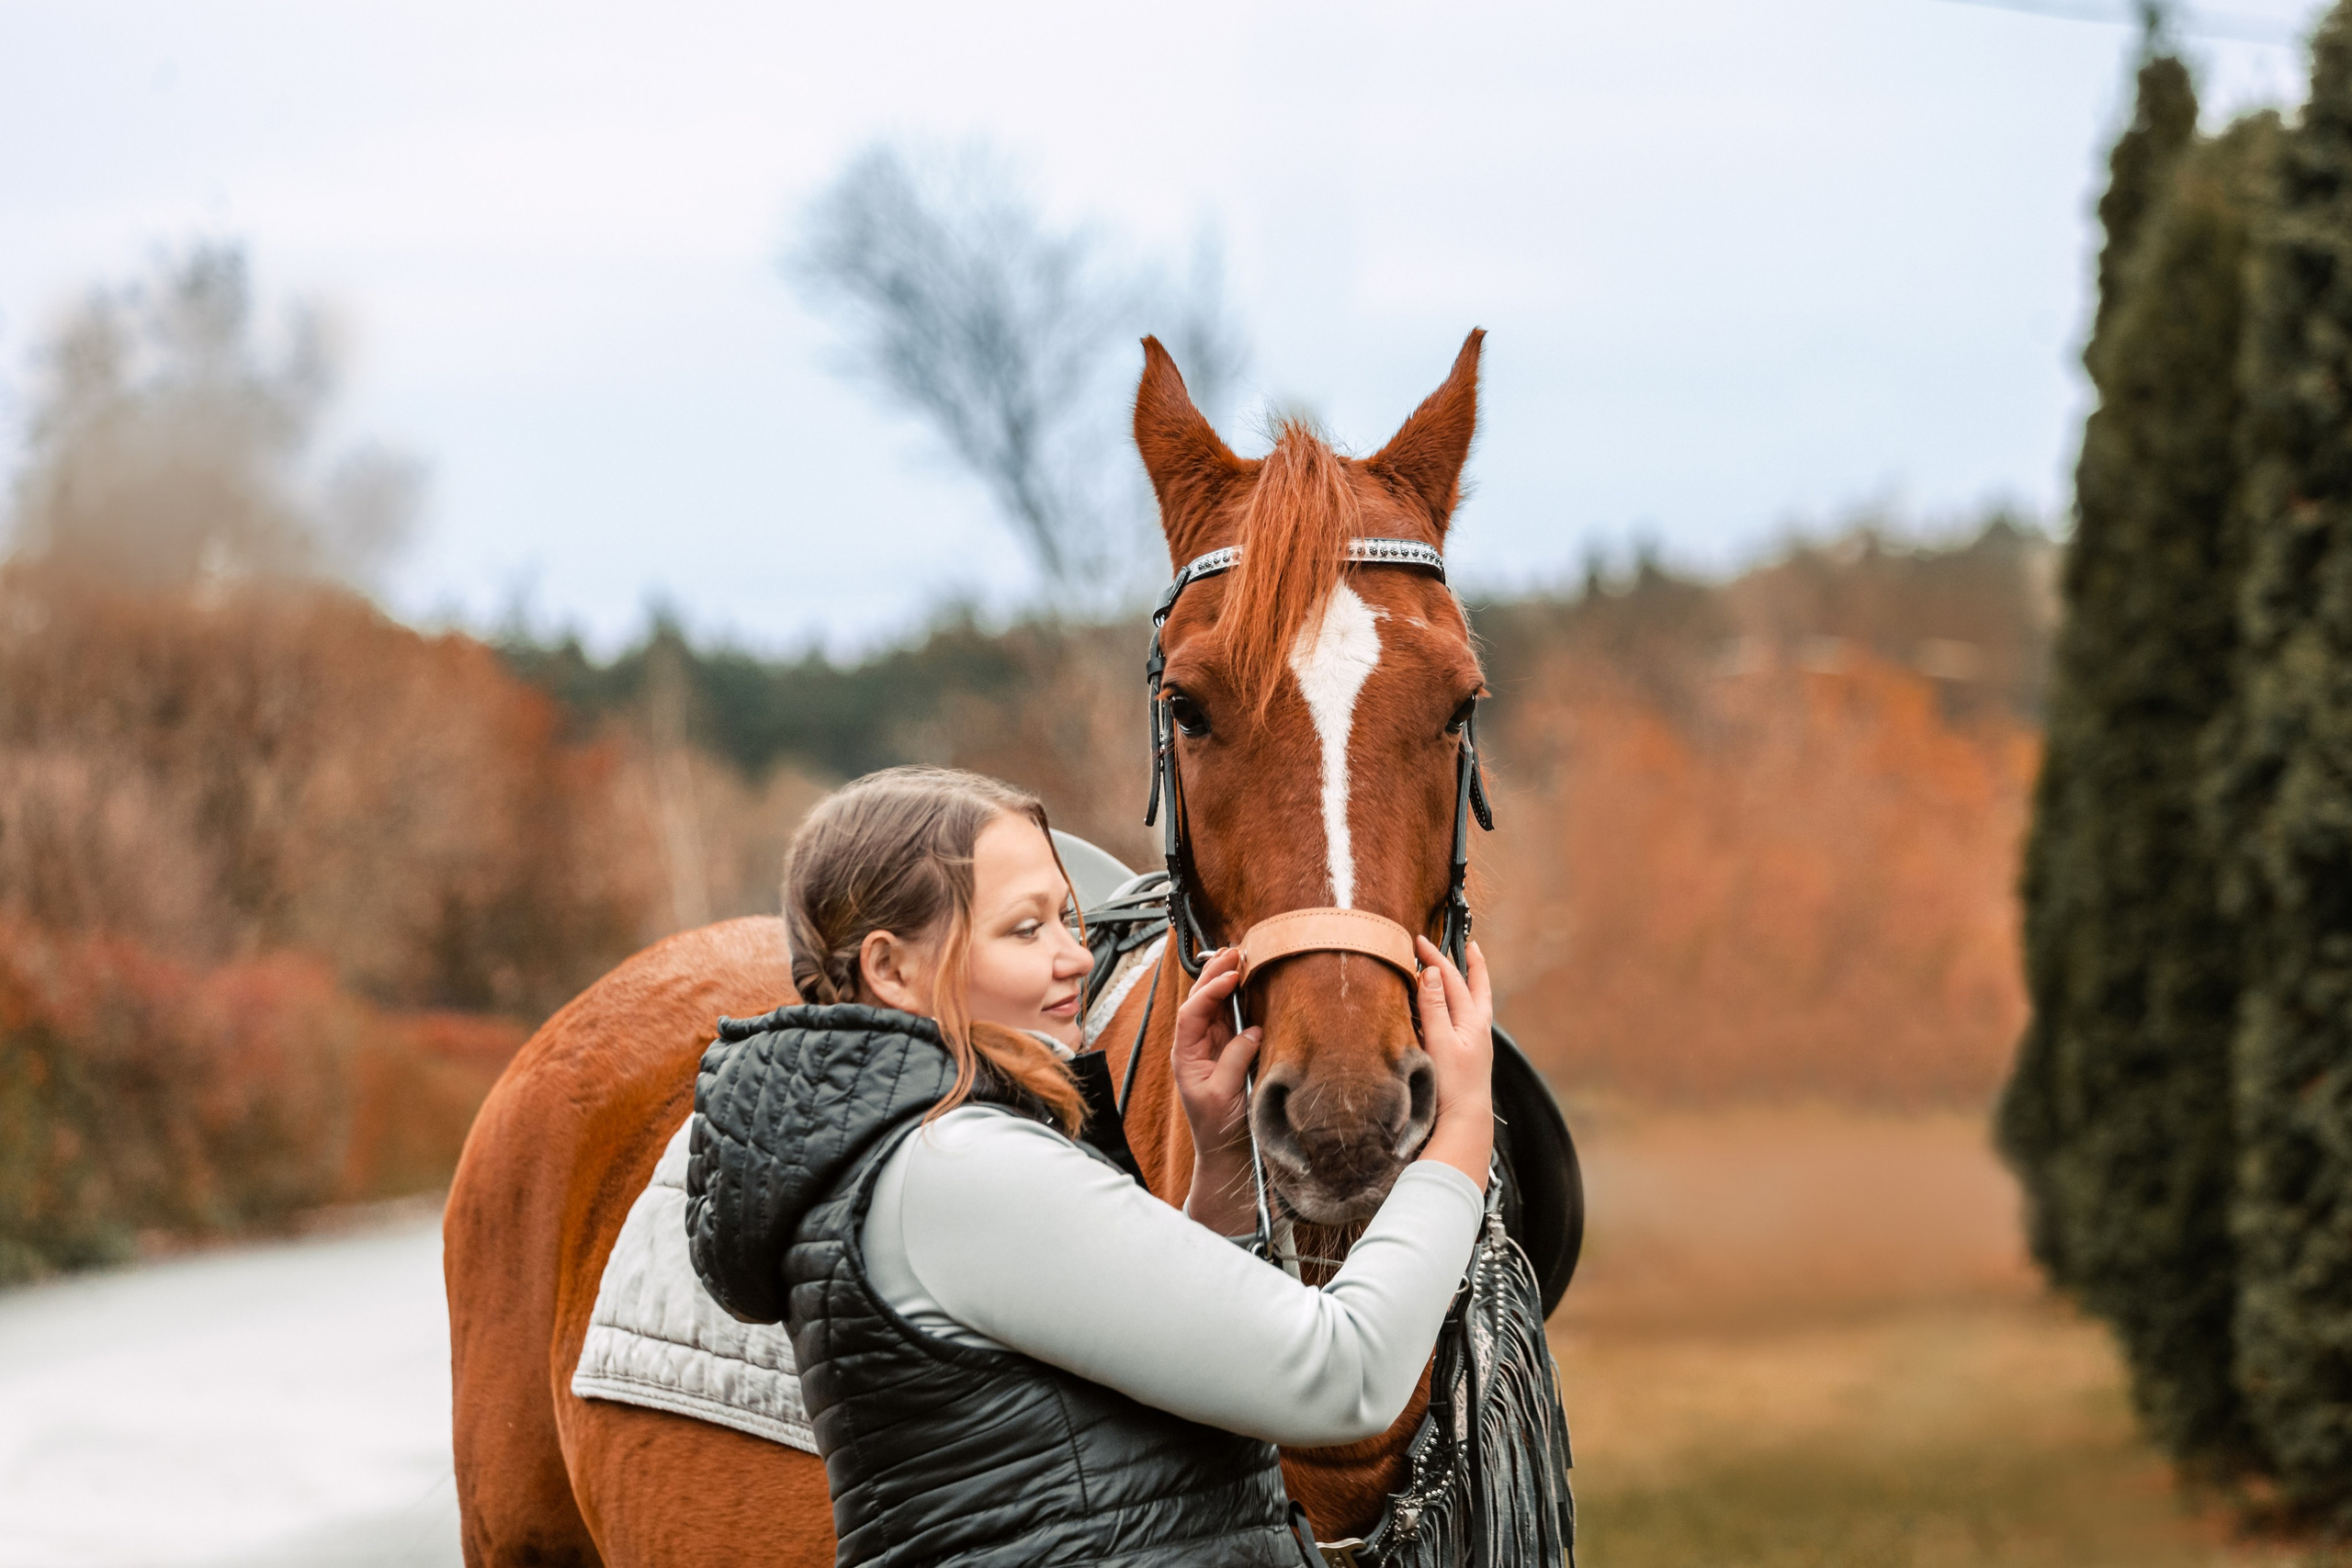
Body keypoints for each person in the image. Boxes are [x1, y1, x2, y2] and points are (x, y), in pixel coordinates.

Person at [686, 766, 1495, 1568]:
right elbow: (1342, 1373)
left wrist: (1219, 1167)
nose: (1078, 956)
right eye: (1025, 929)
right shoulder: (959, 1165)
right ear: (891, 968)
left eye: (1069, 918)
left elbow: (1119, 1393)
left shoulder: (916, 1158)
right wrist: (1459, 1129)